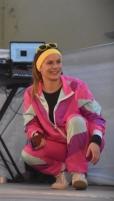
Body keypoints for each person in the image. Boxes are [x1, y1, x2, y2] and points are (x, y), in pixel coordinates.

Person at [21, 43, 106, 190]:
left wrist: (96, 140)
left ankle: (78, 172)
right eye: (50, 63)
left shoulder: (77, 86)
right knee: (27, 154)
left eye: (58, 62)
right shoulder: (31, 93)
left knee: (75, 119)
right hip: (58, 146)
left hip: (85, 145)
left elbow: (96, 117)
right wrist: (35, 134)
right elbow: (31, 122)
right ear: (39, 67)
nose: (56, 67)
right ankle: (63, 172)